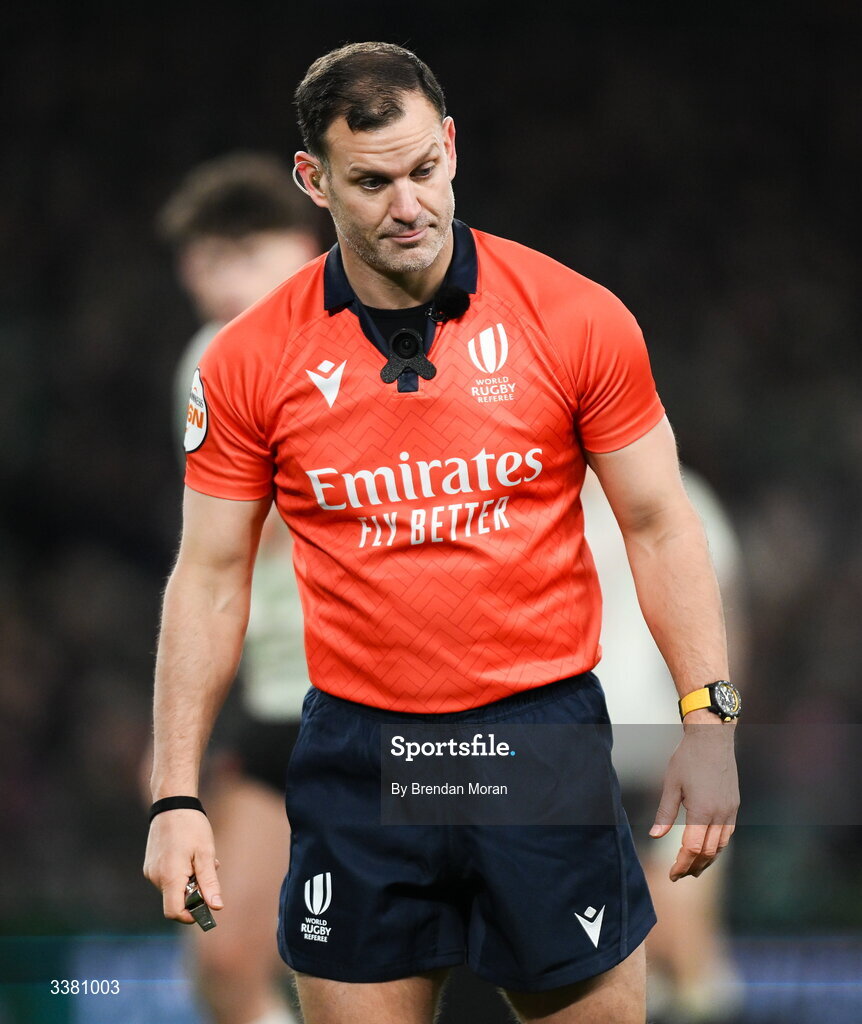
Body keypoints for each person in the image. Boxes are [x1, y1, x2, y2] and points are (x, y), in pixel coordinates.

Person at [144, 42, 740, 1024]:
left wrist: (707, 719)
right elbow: (207, 576)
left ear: (452, 147)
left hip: (535, 742)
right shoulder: (248, 360)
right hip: (359, 752)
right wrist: (175, 796)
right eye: (371, 182)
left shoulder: (573, 316)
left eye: (424, 169)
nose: (407, 204)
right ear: (314, 180)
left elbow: (658, 522)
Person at [154, 152, 321, 1024]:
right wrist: (178, 753)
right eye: (201, 276)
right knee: (223, 964)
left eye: (236, 261)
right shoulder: (211, 360)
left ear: (302, 247)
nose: (217, 293)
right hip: (271, 697)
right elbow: (216, 558)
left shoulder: (382, 337)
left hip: (398, 701)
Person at [582, 467, 746, 1023]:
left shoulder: (684, 499)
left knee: (681, 945)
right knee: (610, 957)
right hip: (571, 756)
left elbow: (727, 629)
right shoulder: (533, 494)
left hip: (656, 752)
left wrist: (715, 741)